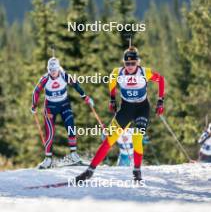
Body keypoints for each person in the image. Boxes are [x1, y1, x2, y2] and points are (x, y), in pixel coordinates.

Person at [75, 46, 165, 182]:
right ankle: (89, 171)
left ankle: (137, 170)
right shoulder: (117, 73)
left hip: (142, 108)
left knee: (137, 138)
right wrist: (112, 99)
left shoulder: (145, 72)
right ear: (124, 63)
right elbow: (111, 82)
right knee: (109, 140)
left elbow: (161, 80)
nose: (129, 66)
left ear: (138, 62)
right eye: (127, 63)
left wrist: (160, 100)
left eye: (133, 63)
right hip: (125, 109)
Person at [31, 57, 94, 169]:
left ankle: (73, 155)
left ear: (58, 69)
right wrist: (34, 105)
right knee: (50, 133)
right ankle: (48, 159)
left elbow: (75, 85)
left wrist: (85, 97)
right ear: (48, 70)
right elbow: (36, 91)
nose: (53, 72)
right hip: (50, 108)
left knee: (71, 127)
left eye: (55, 70)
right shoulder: (45, 79)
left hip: (64, 105)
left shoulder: (64, 75)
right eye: (51, 70)